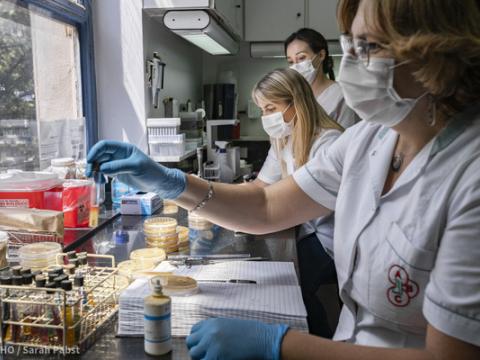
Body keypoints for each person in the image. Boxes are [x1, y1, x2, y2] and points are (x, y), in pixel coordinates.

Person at [87, 0, 480, 358]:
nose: (351, 64)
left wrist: (282, 345)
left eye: (369, 47)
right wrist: (172, 182)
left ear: (436, 53)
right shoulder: (370, 140)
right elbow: (267, 205)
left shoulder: (469, 175)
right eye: (352, 45)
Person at [249, 68, 343, 337]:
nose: (266, 117)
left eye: (270, 108)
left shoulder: (328, 142)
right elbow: (259, 187)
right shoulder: (284, 139)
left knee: (290, 290)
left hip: (330, 239)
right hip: (307, 228)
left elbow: (279, 204)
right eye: (262, 110)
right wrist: (215, 200)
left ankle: (318, 346)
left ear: (295, 102)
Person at [286, 28, 359, 129]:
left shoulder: (342, 96)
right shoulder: (292, 97)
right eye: (291, 62)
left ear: (321, 55)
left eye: (302, 58)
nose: (295, 66)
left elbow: (347, 140)